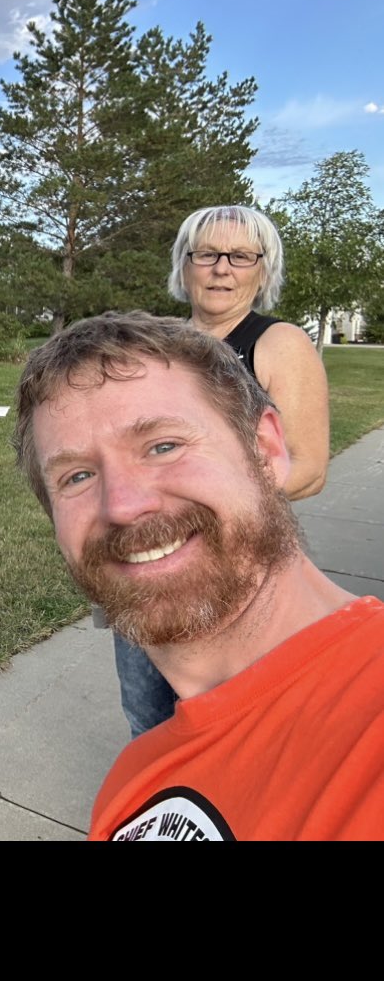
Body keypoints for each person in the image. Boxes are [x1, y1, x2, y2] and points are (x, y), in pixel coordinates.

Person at [13, 311, 384, 840]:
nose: (122, 505)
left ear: (266, 450)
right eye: (77, 476)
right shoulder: (134, 782)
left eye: (163, 446)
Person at [111, 205, 330, 738]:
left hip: (238, 572)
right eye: (206, 254)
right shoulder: (159, 346)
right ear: (185, 266)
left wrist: (208, 510)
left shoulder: (277, 344)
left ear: (263, 268)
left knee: (237, 725)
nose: (221, 268)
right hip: (149, 562)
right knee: (149, 715)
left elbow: (308, 467)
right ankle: (159, 817)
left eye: (240, 256)